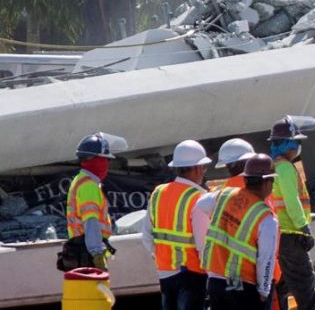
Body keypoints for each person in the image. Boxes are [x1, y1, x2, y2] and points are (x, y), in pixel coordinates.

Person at [197, 154, 279, 309]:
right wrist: (264, 290)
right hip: (242, 286)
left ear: (246, 179)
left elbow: (201, 203)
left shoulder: (225, 195)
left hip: (215, 280)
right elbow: (266, 260)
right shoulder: (266, 218)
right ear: (267, 182)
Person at [141, 140, 211, 310]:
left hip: (165, 272)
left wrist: (162, 258)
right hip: (192, 274)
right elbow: (203, 245)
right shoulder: (199, 198)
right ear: (197, 168)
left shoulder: (159, 192)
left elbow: (146, 236)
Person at [269, 116, 315, 310]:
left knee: (283, 283)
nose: (297, 147)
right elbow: (292, 201)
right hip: (291, 234)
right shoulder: (286, 168)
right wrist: (303, 228)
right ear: (287, 144)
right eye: (296, 142)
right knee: (304, 281)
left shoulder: (273, 168)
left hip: (280, 234)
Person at [64, 132, 127, 271]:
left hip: (80, 248)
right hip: (87, 252)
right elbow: (91, 222)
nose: (106, 164)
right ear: (95, 160)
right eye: (105, 159)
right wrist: (97, 254)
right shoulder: (88, 186)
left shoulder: (81, 180)